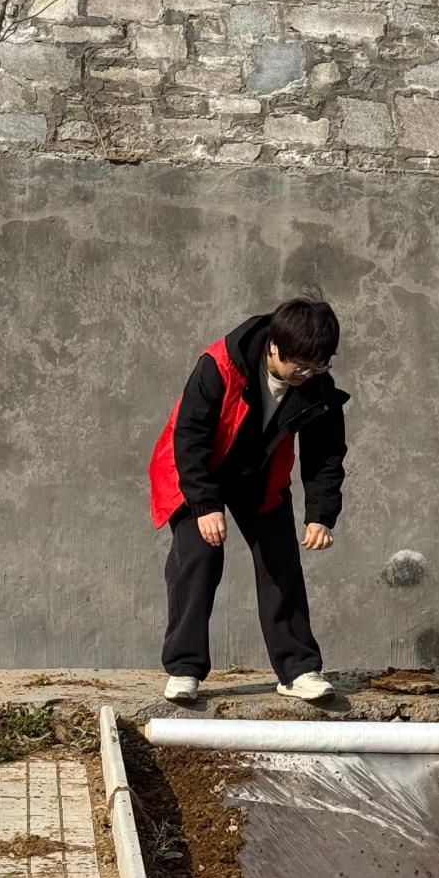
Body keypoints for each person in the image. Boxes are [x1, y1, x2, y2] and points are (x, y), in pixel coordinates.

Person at [148, 297, 347, 705]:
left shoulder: (316, 383)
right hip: (197, 470)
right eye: (301, 366)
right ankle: (184, 669)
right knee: (199, 557)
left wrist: (321, 515)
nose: (308, 374)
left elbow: (326, 454)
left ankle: (297, 670)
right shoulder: (220, 365)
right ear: (274, 347)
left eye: (318, 366)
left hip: (259, 475)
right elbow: (189, 436)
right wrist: (205, 505)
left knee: (280, 560)